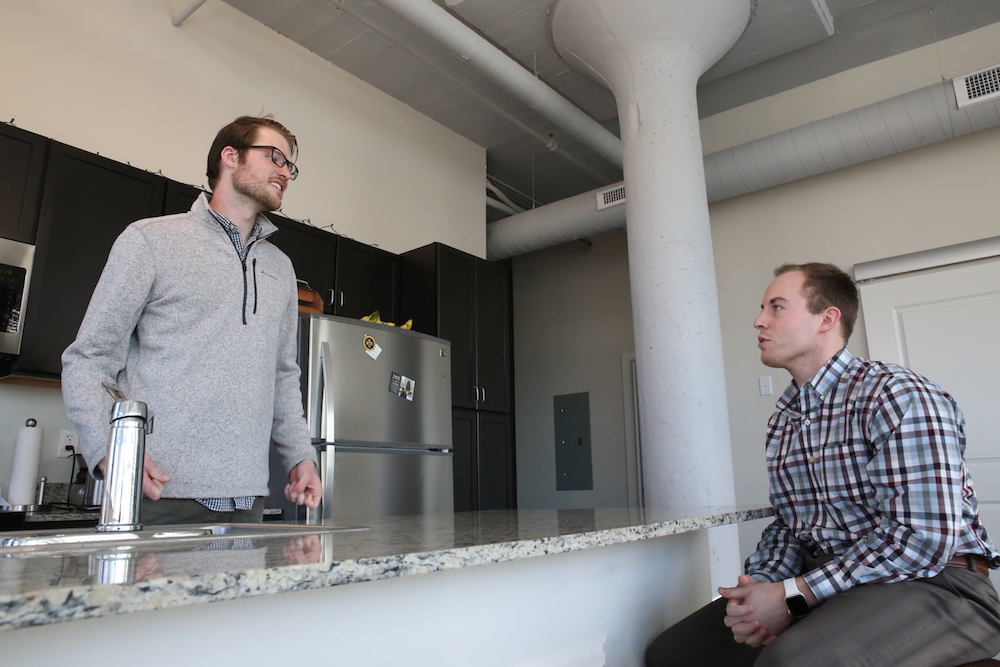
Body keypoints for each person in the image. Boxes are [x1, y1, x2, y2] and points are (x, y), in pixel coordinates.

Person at [646, 262, 1000, 666]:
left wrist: (793, 596)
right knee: (675, 652)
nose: (759, 321)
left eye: (777, 307)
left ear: (827, 319)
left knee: (791, 661)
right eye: (763, 308)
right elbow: (791, 525)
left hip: (938, 583)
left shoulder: (895, 395)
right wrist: (759, 589)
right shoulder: (784, 419)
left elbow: (920, 537)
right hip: (833, 582)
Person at [62, 115, 321, 525]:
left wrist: (300, 455)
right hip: (159, 492)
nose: (285, 171)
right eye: (274, 157)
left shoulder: (281, 268)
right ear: (230, 156)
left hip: (247, 498)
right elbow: (89, 358)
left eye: (290, 165)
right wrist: (107, 448)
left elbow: (283, 375)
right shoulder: (150, 240)